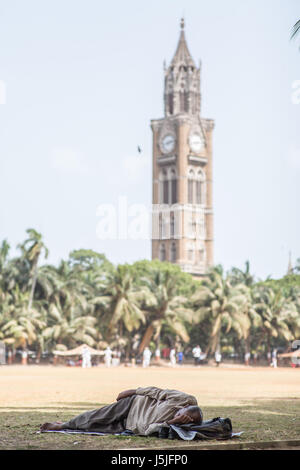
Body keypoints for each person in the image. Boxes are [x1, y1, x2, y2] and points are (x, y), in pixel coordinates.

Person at [40, 386, 203, 436]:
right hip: (134, 404)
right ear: (185, 408)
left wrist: (172, 422)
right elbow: (156, 392)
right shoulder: (184, 399)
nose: (178, 416)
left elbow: (148, 431)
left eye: (182, 418)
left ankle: (69, 425)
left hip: (131, 426)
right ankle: (62, 425)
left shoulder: (177, 427)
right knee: (96, 416)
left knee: (93, 428)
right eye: (180, 414)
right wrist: (131, 392)